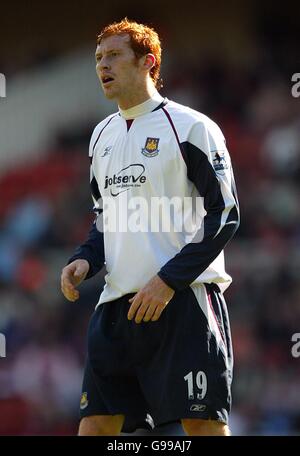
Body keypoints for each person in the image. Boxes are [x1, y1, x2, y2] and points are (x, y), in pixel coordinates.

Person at [61, 18, 240, 436]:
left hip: (181, 301)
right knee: (97, 428)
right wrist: (85, 260)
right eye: (98, 58)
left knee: (202, 427)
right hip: (116, 308)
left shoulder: (192, 127)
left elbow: (225, 214)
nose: (103, 65)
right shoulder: (100, 136)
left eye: (114, 55)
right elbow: (106, 218)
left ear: (148, 61)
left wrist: (168, 281)